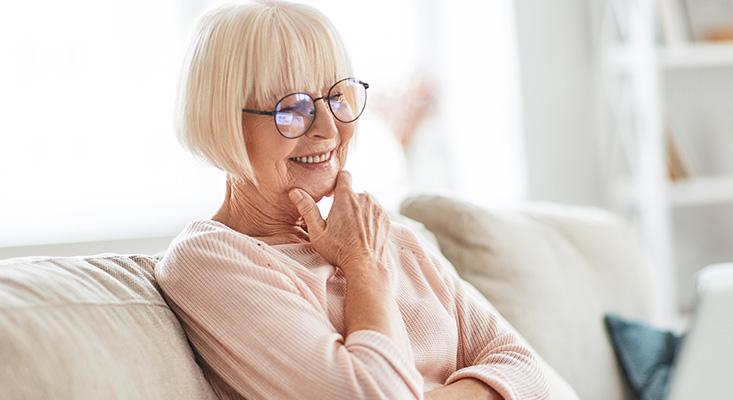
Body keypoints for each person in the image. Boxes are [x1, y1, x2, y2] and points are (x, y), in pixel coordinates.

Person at [155, 1, 549, 399]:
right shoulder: (211, 259)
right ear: (222, 121)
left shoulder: (389, 238)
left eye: (337, 98)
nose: (330, 129)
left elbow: (528, 371)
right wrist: (364, 269)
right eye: (292, 108)